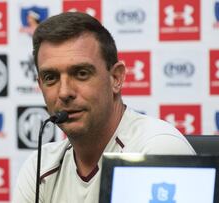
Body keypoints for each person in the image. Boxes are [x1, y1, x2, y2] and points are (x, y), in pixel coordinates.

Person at [13, 12, 196, 203]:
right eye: (51, 77)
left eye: (81, 73)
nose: (64, 92)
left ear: (116, 78)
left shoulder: (156, 149)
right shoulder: (40, 167)